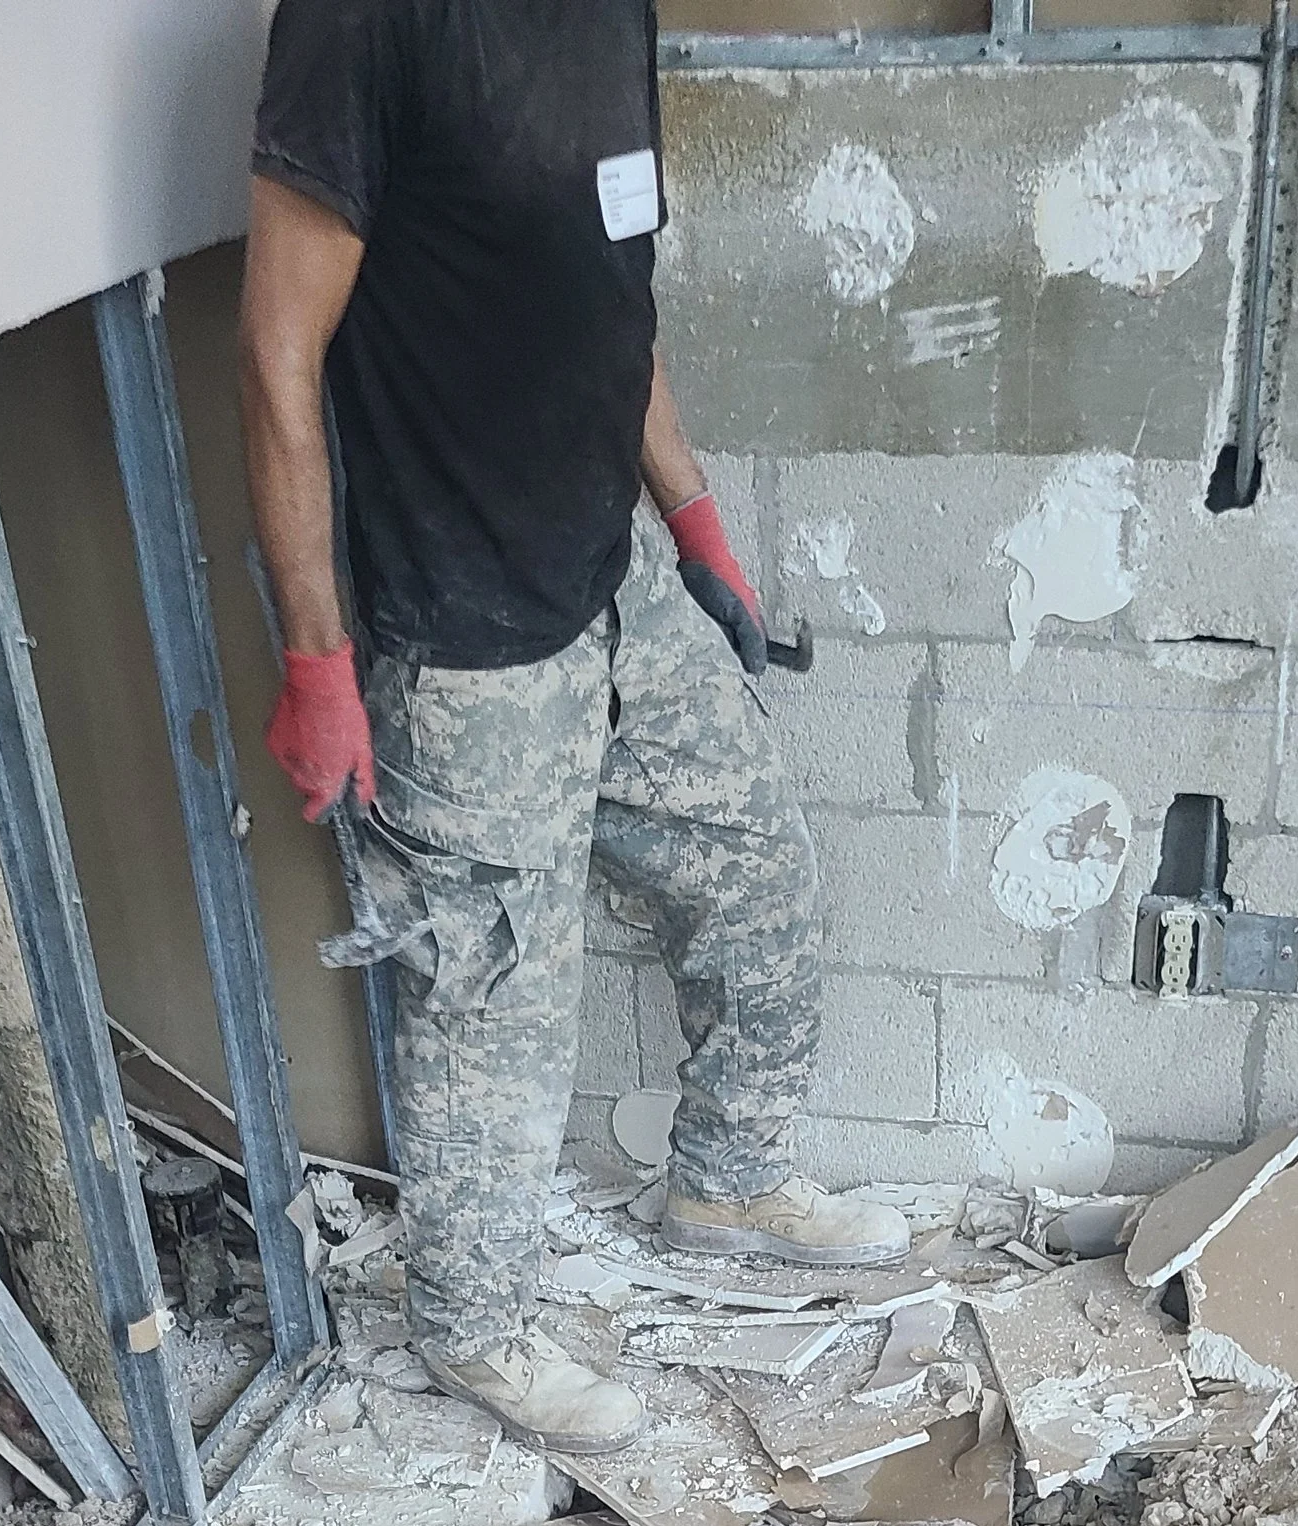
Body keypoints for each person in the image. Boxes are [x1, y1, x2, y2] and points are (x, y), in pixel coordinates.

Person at [239, 0, 909, 1452]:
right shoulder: (366, 23)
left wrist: (699, 519)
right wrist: (318, 660)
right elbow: (279, 353)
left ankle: (724, 1176)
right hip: (462, 644)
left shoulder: (608, 10)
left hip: (609, 581)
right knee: (494, 1021)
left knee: (755, 872)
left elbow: (617, 306)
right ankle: (473, 1331)